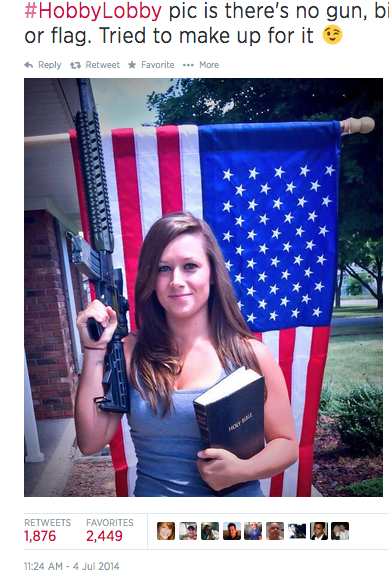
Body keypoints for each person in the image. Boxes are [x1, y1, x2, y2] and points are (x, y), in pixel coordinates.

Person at [75, 212, 298, 497]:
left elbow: (286, 444)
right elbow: (90, 442)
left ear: (212, 274)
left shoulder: (250, 354)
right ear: (151, 279)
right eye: (163, 268)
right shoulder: (129, 351)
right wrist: (94, 348)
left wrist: (242, 470)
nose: (176, 281)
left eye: (190, 266)